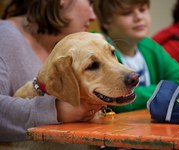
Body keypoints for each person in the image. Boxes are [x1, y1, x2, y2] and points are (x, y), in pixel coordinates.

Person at [93, 0, 179, 113]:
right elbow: (117, 100)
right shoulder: (97, 48)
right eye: (127, 12)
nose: (138, 17)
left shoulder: (150, 47)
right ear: (106, 21)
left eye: (143, 9)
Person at [0, 0, 103, 142]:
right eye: (89, 3)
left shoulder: (66, 45)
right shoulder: (4, 37)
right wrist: (58, 110)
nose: (93, 17)